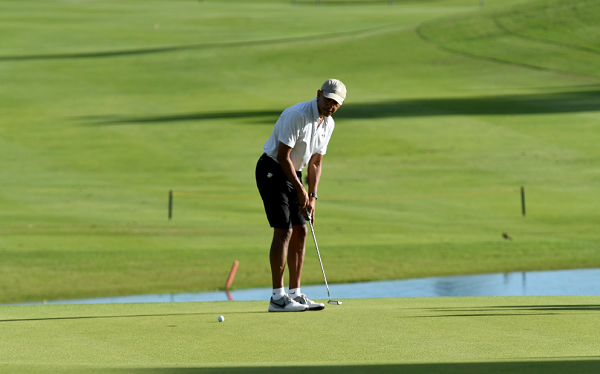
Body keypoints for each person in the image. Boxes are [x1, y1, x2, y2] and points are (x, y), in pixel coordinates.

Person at [255, 79, 346, 312]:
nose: (331, 105)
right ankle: (278, 297)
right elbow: (284, 155)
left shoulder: (329, 124)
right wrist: (300, 188)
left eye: (336, 103)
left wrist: (312, 196)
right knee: (284, 230)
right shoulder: (297, 114)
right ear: (318, 95)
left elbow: (315, 162)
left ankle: (295, 294)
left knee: (301, 230)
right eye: (328, 100)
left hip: (293, 174)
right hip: (272, 170)